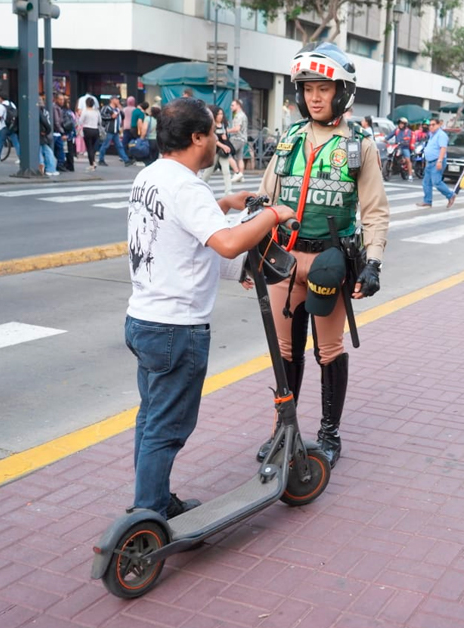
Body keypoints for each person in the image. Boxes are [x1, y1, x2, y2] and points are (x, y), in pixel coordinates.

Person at [125, 97, 297, 519]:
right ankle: (147, 515)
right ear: (196, 137)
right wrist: (273, 213)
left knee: (151, 420)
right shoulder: (187, 184)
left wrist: (225, 205)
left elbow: (181, 228)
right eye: (214, 134)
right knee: (168, 428)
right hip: (176, 329)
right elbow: (229, 243)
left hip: (143, 320)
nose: (217, 142)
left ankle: (154, 500)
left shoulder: (150, 176)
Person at [252, 42, 391, 468]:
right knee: (283, 350)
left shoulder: (359, 146)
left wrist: (373, 262)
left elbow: (374, 210)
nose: (314, 96)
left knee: (327, 350)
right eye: (308, 87)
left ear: (341, 93)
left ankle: (329, 433)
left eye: (324, 88)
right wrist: (250, 252)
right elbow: (263, 197)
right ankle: (284, 429)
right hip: (283, 260)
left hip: (330, 263)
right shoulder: (288, 141)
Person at [418, 118, 455, 209]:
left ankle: (450, 195)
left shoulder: (441, 135)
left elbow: (443, 148)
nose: (431, 127)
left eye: (433, 125)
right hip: (430, 162)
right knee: (426, 182)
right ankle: (427, 201)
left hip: (437, 161)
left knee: (436, 182)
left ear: (438, 125)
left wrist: (439, 161)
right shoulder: (431, 135)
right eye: (430, 125)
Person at [199, 106, 234, 194]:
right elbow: (213, 139)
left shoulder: (224, 125)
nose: (220, 116)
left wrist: (225, 139)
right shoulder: (212, 125)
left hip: (223, 152)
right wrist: (223, 145)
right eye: (218, 114)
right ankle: (201, 187)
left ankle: (228, 190)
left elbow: (225, 138)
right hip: (214, 151)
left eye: (222, 114)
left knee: (226, 171)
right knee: (208, 172)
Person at [98, 96, 132, 166]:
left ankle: (126, 160)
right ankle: (101, 159)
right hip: (108, 129)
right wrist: (111, 117)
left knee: (119, 145)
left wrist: (121, 109)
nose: (118, 101)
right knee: (105, 145)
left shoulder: (117, 109)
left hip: (116, 130)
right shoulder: (106, 108)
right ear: (112, 100)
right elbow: (102, 116)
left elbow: (123, 116)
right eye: (116, 99)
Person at [0, 93, 20, 163]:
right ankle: (20, 158)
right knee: (16, 142)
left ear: (1, 98)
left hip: (4, 126)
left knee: (0, 142)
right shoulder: (12, 104)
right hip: (12, 126)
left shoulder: (1, 106)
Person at [228, 100, 249, 181]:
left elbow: (237, 128)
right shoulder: (243, 115)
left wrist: (227, 130)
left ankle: (237, 173)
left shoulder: (238, 116)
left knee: (227, 153)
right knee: (240, 158)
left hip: (237, 138)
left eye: (232, 105)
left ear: (238, 105)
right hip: (243, 139)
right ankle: (241, 175)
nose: (231, 107)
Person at [79, 96, 102, 172]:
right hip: (95, 130)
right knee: (93, 147)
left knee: (89, 147)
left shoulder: (85, 111)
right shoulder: (96, 111)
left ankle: (92, 164)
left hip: (87, 129)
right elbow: (100, 122)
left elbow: (80, 121)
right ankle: (93, 161)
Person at [38, 96, 58, 177]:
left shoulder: (35, 110)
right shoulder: (43, 111)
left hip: (37, 134)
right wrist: (47, 131)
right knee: (47, 150)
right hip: (42, 134)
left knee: (39, 151)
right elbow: (46, 123)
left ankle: (41, 166)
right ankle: (51, 168)